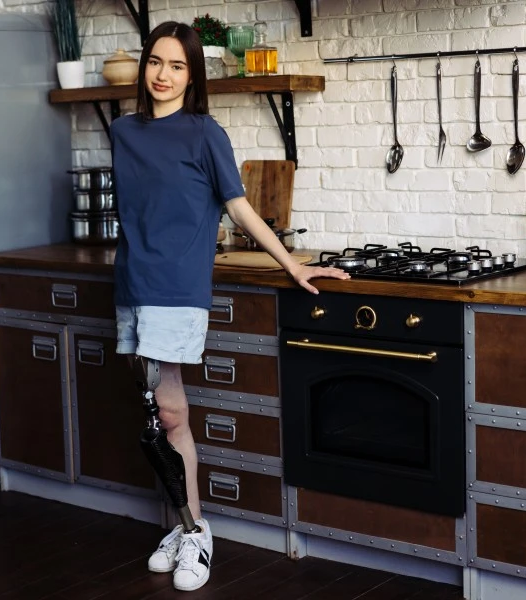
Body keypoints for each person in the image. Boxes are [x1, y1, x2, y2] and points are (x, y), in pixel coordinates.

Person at [109, 20, 350, 592]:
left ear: (193, 76)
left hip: (175, 291)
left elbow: (238, 209)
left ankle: (196, 532)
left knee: (169, 415)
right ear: (144, 67)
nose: (163, 75)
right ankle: (183, 525)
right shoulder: (122, 131)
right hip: (132, 287)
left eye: (177, 66)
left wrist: (291, 264)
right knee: (157, 414)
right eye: (155, 62)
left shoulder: (204, 133)